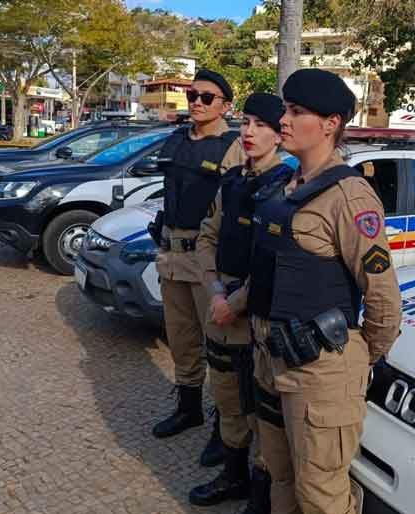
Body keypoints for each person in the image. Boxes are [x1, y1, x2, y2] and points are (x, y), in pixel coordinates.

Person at [248, 69, 403, 514]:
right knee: (280, 476)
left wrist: (354, 361)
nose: (283, 121)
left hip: (321, 370)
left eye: (296, 112)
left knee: (321, 496)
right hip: (271, 358)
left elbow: (383, 298)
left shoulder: (350, 197)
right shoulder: (286, 187)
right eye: (285, 110)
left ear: (331, 123)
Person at [189, 93, 292, 512]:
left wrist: (235, 301)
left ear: (279, 135)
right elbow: (207, 236)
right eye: (246, 122)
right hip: (221, 306)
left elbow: (274, 260)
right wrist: (215, 291)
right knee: (228, 399)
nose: (249, 132)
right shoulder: (233, 180)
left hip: (254, 315)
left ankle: (261, 494)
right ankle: (233, 476)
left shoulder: (286, 187)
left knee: (262, 410)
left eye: (261, 125)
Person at [148, 69, 246, 450]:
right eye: (192, 96)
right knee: (181, 339)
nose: (197, 103)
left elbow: (237, 208)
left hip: (208, 260)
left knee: (220, 346)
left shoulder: (233, 146)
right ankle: (189, 408)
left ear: (225, 105)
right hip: (172, 255)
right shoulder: (176, 139)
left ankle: (227, 427)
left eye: (207, 97)